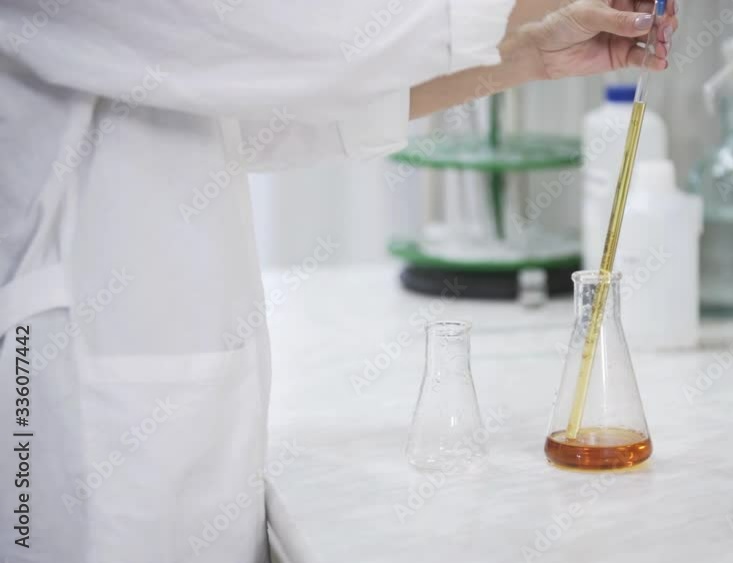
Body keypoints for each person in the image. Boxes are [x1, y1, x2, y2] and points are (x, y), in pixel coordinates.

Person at [0, 1, 676, 561]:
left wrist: (527, 51)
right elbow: (293, 34)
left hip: (163, 408)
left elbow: (257, 114)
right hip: (76, 420)